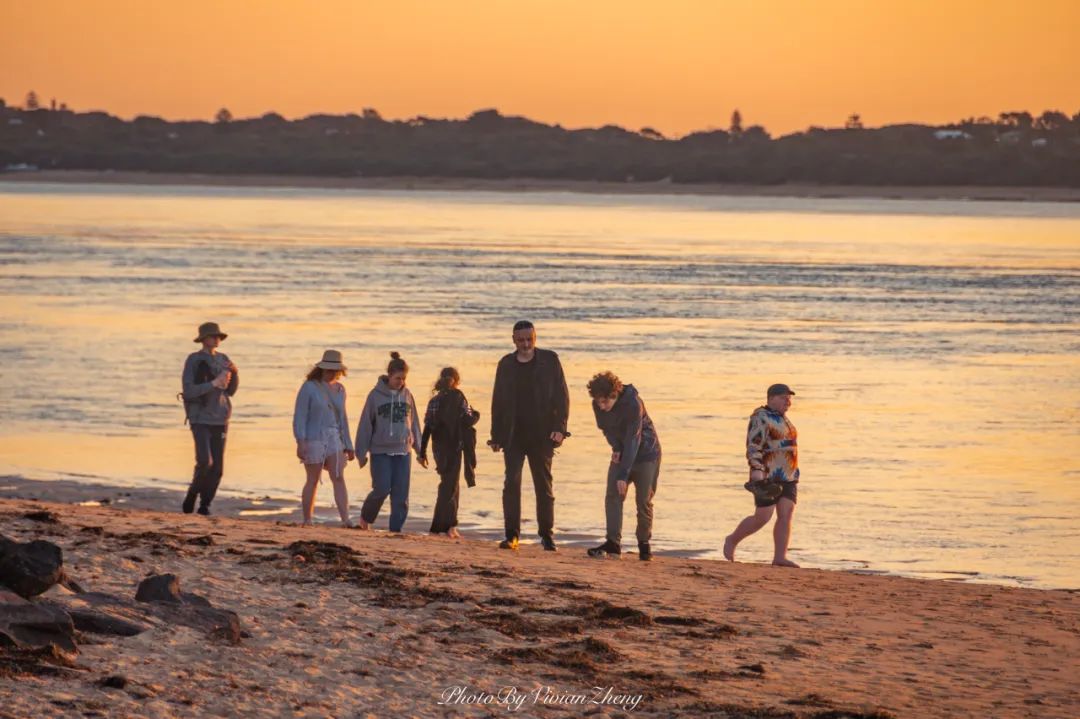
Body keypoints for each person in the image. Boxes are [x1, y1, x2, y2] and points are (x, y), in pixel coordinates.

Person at [489, 320, 569, 551]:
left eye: (529, 339)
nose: (526, 344)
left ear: (535, 338)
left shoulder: (550, 361)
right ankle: (512, 535)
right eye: (521, 340)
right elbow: (498, 401)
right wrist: (496, 435)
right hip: (513, 435)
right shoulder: (505, 364)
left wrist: (560, 429)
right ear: (514, 340)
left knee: (543, 486)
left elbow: (562, 397)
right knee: (511, 483)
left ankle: (546, 536)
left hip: (542, 435)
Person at [585, 371, 661, 561]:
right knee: (613, 495)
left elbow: (633, 439)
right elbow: (605, 429)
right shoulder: (597, 404)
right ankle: (613, 543)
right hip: (622, 453)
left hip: (646, 455)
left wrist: (623, 474)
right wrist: (616, 447)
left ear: (614, 395)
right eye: (598, 402)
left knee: (643, 501)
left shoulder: (633, 404)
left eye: (605, 402)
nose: (601, 406)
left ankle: (644, 545)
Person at [723, 384, 800, 567]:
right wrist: (756, 469)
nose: (787, 401)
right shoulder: (761, 416)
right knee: (763, 517)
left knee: (786, 514)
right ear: (771, 398)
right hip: (767, 474)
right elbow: (753, 445)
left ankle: (780, 557)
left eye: (789, 398)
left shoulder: (784, 419)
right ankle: (732, 539)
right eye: (783, 397)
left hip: (788, 474)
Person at [354, 352, 425, 532]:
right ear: (389, 375)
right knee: (382, 489)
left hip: (403, 451)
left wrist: (420, 451)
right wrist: (360, 453)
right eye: (397, 378)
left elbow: (414, 423)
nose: (401, 382)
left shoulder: (407, 394)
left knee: (401, 495)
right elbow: (365, 425)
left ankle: (395, 531)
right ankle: (366, 517)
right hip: (380, 451)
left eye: (403, 378)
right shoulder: (375, 396)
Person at [180, 322, 238, 516]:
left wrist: (235, 374)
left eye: (219, 336)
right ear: (203, 339)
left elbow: (230, 391)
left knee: (218, 468)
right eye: (213, 336)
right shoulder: (193, 360)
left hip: (221, 418)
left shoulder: (224, 359)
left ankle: (205, 504)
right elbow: (189, 391)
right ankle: (192, 494)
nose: (216, 339)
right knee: (205, 462)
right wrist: (213, 383)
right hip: (200, 417)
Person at [293, 350, 356, 527]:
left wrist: (348, 444)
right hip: (313, 438)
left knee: (338, 477)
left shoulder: (341, 389)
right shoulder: (309, 387)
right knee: (312, 479)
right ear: (321, 369)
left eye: (335, 370)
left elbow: (342, 418)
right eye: (329, 370)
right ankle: (307, 519)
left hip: (334, 437)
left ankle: (345, 519)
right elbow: (300, 416)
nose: (332, 373)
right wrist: (301, 441)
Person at [419, 367, 480, 538]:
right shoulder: (459, 397)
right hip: (455, 446)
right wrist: (477, 414)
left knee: (447, 484)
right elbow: (468, 419)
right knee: (451, 486)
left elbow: (428, 428)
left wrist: (422, 452)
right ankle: (448, 526)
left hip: (439, 448)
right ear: (457, 380)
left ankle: (440, 526)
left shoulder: (434, 400)